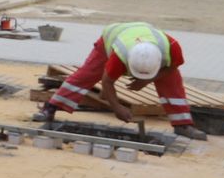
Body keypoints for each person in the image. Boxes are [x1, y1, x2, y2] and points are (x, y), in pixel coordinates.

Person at [36, 22, 197, 136]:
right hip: (111, 38)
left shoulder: (171, 48)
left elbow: (173, 67)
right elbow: (107, 81)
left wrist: (147, 80)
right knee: (87, 74)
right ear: (128, 62)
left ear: (158, 62)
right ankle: (51, 107)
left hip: (142, 34)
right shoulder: (119, 55)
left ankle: (183, 124)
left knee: (172, 81)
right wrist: (117, 107)